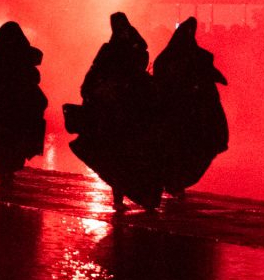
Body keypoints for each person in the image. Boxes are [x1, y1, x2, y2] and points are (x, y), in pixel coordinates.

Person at [67, 12, 163, 211]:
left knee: (132, 155)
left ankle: (141, 195)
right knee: (119, 156)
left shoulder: (127, 51)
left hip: (131, 112)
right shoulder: (112, 51)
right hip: (117, 114)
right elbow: (93, 79)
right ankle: (123, 197)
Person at [152, 17, 229, 198]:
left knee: (185, 149)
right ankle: (174, 183)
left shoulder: (179, 58)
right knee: (181, 149)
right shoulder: (183, 58)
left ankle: (175, 183)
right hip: (181, 115)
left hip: (185, 114)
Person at [0, 21, 49, 180]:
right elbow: (34, 77)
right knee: (15, 136)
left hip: (1, 106)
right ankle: (10, 168)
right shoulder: (22, 55)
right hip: (18, 107)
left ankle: (3, 168)